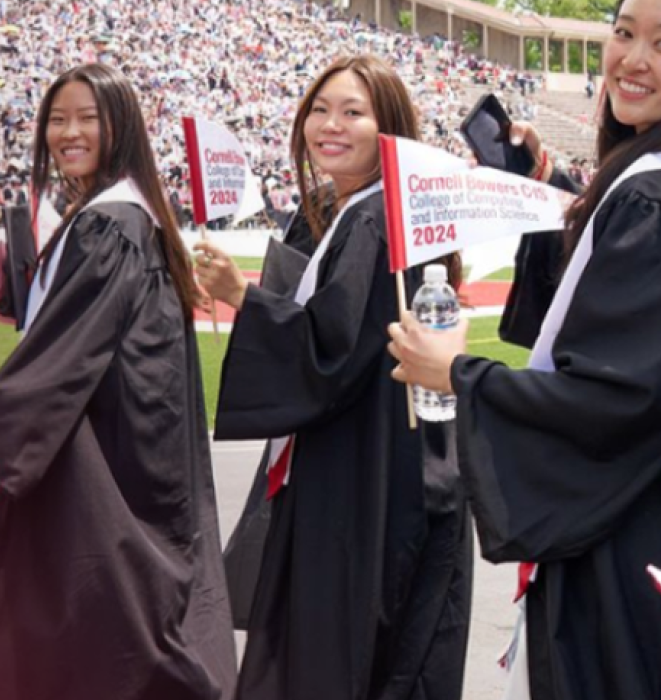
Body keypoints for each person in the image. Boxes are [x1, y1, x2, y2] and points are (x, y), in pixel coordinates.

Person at [384, 0, 661, 696]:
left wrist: (458, 376)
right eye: (623, 33)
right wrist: (551, 192)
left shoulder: (654, 206)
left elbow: (622, 397)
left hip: (633, 553)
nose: (633, 58)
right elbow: (634, 326)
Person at [0, 62, 235, 700]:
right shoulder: (123, 216)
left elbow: (66, 351)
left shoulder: (110, 224)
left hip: (102, 461)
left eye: (87, 118)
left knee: (73, 623)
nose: (69, 132)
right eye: (57, 120)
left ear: (122, 127)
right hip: (121, 448)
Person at [188, 55, 471, 700]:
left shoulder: (373, 220)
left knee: (339, 646)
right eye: (319, 109)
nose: (329, 125)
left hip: (366, 476)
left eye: (352, 112)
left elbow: (332, 352)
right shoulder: (356, 209)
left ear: (389, 127)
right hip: (379, 462)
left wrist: (244, 297)